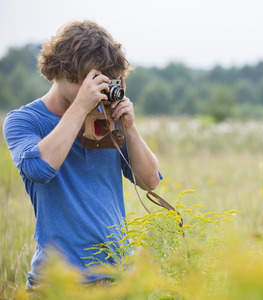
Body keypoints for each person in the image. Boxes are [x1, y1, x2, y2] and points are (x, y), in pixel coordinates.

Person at [3, 20, 161, 291]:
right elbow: (40, 168)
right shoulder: (24, 121)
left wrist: (130, 130)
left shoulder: (105, 119)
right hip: (57, 286)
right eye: (92, 79)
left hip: (117, 282)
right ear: (64, 71)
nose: (97, 89)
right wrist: (80, 107)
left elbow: (150, 181)